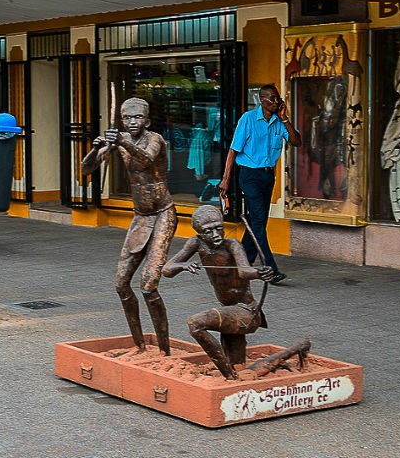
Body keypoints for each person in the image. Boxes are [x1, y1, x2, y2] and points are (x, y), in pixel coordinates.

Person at [80, 97, 176, 354]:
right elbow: (87, 168)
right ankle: (140, 345)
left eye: (138, 118)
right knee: (121, 284)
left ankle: (165, 349)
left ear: (147, 120)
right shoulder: (119, 141)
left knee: (148, 286)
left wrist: (120, 141)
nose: (132, 122)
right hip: (141, 217)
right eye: (128, 118)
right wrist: (96, 148)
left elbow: (146, 159)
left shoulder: (154, 138)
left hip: (163, 214)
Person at [163, 205, 274, 379]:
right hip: (229, 309)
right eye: (208, 231)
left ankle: (229, 376)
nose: (215, 235)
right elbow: (167, 270)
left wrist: (260, 272)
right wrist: (183, 265)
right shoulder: (196, 243)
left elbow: (244, 271)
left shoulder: (232, 244)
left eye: (219, 228)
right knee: (236, 358)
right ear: (200, 233)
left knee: (196, 324)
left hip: (246, 310)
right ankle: (234, 370)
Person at [218, 84, 301, 286]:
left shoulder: (279, 122)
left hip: (267, 176)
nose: (276, 101)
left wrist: (285, 118)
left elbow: (296, 141)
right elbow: (233, 151)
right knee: (257, 219)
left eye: (277, 98)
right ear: (262, 100)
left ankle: (242, 261)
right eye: (271, 98)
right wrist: (226, 179)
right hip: (249, 176)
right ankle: (270, 269)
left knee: (259, 221)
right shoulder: (248, 119)